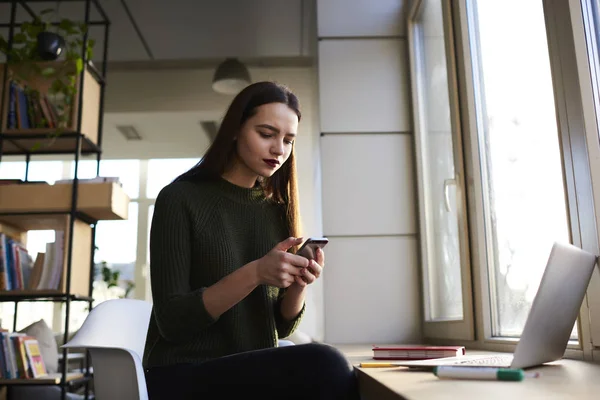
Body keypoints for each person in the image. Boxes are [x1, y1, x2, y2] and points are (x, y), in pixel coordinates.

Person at [143, 81, 360, 399]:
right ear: (234, 130)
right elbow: (173, 322)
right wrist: (257, 272)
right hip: (181, 374)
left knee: (342, 369)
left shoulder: (275, 210)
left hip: (250, 367)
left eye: (288, 140)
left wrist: (298, 282)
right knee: (326, 363)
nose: (279, 150)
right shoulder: (178, 198)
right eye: (267, 134)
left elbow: (280, 328)